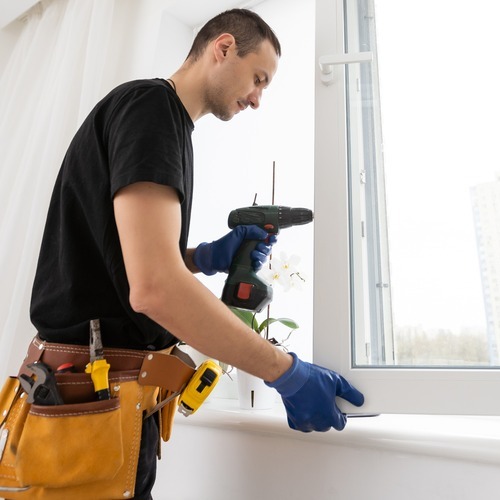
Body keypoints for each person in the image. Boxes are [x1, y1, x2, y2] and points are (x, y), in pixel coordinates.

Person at [27, 8, 364, 499]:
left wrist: (202, 257)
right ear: (222, 47)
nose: (257, 98)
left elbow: (119, 260)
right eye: (258, 79)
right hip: (90, 399)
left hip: (91, 397)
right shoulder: (152, 110)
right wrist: (284, 371)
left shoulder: (158, 120)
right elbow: (154, 289)